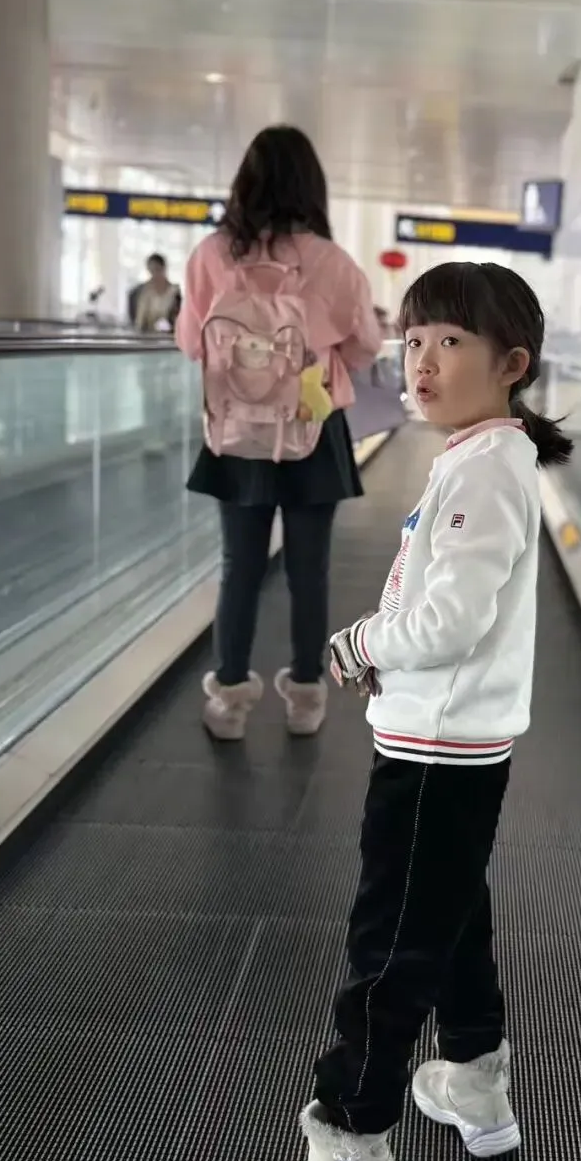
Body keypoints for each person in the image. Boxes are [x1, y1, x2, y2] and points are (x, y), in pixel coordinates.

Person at [237, 261, 573, 1161]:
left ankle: (353, 1153)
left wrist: (359, 644)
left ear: (512, 363)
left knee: (388, 947)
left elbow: (451, 618)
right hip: (449, 741)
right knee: (451, 913)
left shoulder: (488, 467)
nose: (422, 361)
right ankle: (473, 1078)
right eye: (415, 339)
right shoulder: (480, 455)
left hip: (437, 753)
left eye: (451, 342)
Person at [176, 125, 382, 739]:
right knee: (308, 570)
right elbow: (366, 346)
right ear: (311, 186)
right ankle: (306, 697)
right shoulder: (332, 263)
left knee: (238, 566)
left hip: (237, 431)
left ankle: (229, 702)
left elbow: (190, 341)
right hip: (313, 425)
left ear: (245, 182)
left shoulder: (212, 255)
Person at [129, 253, 181, 333]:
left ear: (164, 269)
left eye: (157, 270)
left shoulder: (174, 292)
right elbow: (139, 321)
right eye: (151, 271)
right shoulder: (144, 292)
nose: (155, 274)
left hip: (168, 335)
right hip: (147, 335)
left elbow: (176, 319)